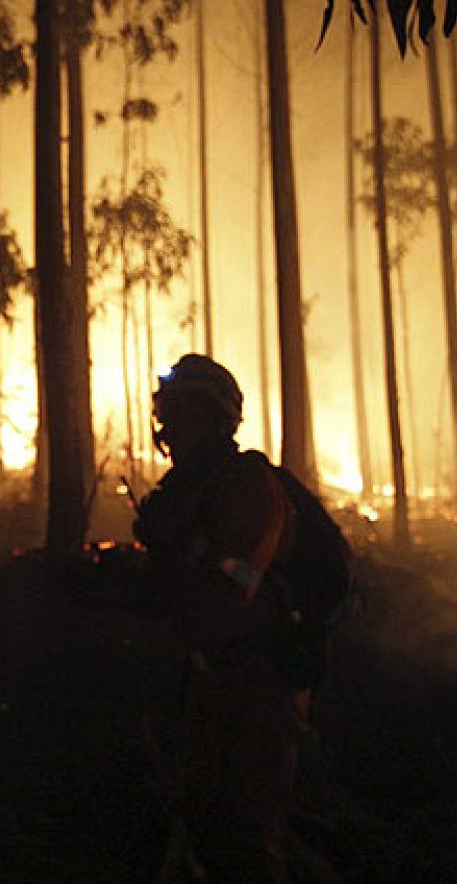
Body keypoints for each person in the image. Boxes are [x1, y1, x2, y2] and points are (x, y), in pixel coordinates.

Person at [132, 353, 310, 883]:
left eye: (178, 412)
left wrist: (166, 571)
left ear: (211, 418)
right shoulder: (194, 492)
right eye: (165, 412)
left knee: (248, 844)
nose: (167, 427)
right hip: (212, 683)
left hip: (259, 689)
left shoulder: (247, 489)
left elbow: (229, 596)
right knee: (204, 829)